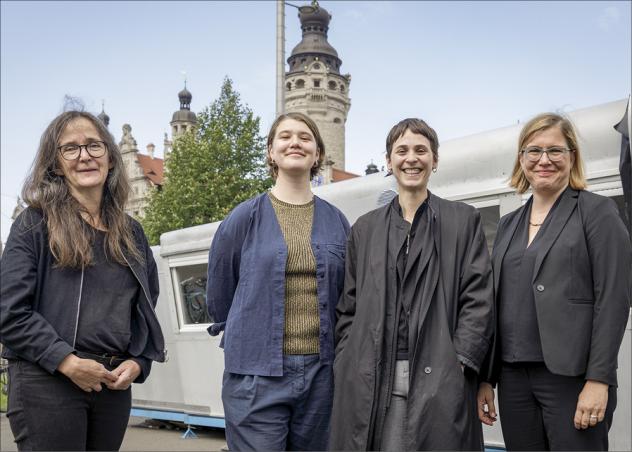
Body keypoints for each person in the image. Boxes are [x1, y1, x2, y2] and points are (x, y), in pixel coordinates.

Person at [0, 111, 166, 451]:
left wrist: (140, 360)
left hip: (110, 384)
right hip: (46, 379)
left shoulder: (131, 231)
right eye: (70, 149)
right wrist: (66, 361)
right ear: (56, 164)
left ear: (109, 155)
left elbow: (145, 307)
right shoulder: (34, 223)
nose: (85, 155)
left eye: (93, 145)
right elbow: (9, 311)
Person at [330, 118, 494, 450]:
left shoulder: (463, 220)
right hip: (374, 375)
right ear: (389, 162)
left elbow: (478, 298)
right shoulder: (365, 229)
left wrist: (459, 360)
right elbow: (349, 305)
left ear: (435, 159)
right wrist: (347, 357)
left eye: (421, 150)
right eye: (401, 150)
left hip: (442, 374)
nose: (411, 158)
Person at [477, 113, 631, 450]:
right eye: (534, 151)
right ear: (522, 160)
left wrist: (598, 379)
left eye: (555, 151)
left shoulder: (597, 212)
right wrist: (486, 378)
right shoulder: (509, 224)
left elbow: (613, 299)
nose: (544, 160)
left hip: (571, 378)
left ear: (572, 157)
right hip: (514, 378)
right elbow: (495, 301)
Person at [206, 112, 350, 451]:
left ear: (317, 154)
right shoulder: (244, 217)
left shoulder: (337, 221)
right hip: (256, 376)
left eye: (305, 137)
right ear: (272, 152)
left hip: (322, 376)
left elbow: (348, 296)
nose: (295, 142)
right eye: (285, 136)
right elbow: (220, 293)